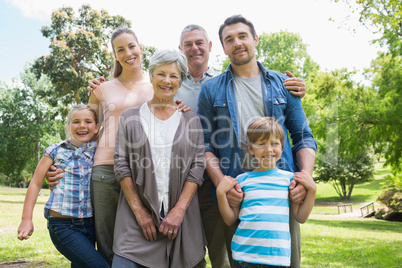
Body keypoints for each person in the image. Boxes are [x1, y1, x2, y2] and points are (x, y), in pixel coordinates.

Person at [45, 28, 190, 265]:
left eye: (131, 46)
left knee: (143, 237)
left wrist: (180, 107)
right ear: (114, 55)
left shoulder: (156, 83)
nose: (128, 53)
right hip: (105, 170)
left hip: (143, 170)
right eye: (120, 50)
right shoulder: (102, 89)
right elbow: (84, 134)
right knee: (106, 241)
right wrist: (56, 162)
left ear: (140, 48)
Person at [197, 15, 317, 268]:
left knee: (285, 261)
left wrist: (304, 178)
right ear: (223, 48)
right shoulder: (211, 89)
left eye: (242, 36)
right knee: (241, 260)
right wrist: (223, 185)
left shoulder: (284, 85)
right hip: (237, 194)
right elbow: (205, 144)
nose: (237, 43)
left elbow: (303, 135)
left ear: (255, 39)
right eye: (229, 39)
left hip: (281, 191)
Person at [112, 49, 206, 268]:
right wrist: (139, 211)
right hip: (136, 222)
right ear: (151, 76)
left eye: (174, 76)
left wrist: (179, 210)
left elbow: (197, 166)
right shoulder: (130, 117)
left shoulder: (192, 120)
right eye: (161, 74)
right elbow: (121, 164)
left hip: (181, 221)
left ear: (180, 81)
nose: (167, 80)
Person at [17, 104, 109, 268]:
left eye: (88, 121)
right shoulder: (55, 150)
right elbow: (36, 183)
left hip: (89, 224)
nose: (82, 125)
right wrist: (26, 219)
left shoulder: (98, 150)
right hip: (63, 226)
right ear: (68, 127)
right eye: (76, 121)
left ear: (96, 128)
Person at [217, 117, 316, 268]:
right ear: (251, 149)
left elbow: (300, 217)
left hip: (277, 259)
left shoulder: (290, 180)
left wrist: (312, 190)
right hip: (244, 257)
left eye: (274, 143)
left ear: (282, 148)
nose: (269, 149)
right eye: (261, 144)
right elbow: (230, 219)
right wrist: (220, 193)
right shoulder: (242, 181)